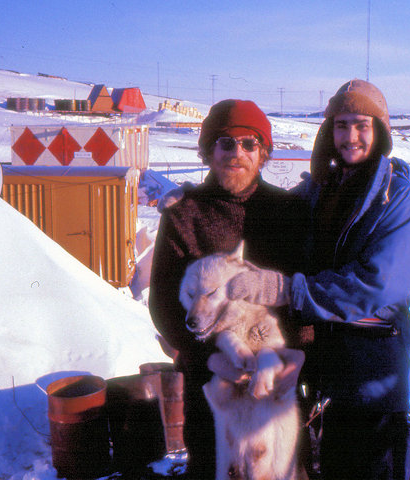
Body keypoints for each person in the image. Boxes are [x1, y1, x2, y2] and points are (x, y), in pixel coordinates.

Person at [226, 79, 410, 479]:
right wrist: (205, 197)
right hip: (330, 377)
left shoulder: (397, 198)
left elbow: (378, 285)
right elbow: (273, 215)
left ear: (381, 130)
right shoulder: (325, 190)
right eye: (340, 125)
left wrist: (289, 290)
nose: (349, 136)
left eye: (361, 125)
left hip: (373, 381)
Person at [148, 99, 307, 478]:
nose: (237, 153)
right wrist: (208, 360)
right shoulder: (184, 214)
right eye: (225, 142)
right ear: (208, 150)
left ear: (263, 152)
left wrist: (300, 356)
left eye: (249, 143)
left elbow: (302, 291)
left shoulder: (288, 212)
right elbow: (164, 302)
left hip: (277, 384)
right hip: (212, 390)